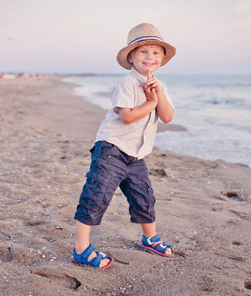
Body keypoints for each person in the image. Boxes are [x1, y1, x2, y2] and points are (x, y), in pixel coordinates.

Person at [72, 23, 177, 269]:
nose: (149, 57)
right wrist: (150, 102)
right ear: (131, 57)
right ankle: (81, 250)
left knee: (144, 197)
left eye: (155, 53)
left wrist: (157, 95)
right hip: (111, 149)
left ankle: (149, 238)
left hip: (136, 154)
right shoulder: (128, 83)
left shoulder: (160, 87)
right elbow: (127, 117)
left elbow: (168, 116)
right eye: (143, 52)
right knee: (97, 195)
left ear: (162, 60)